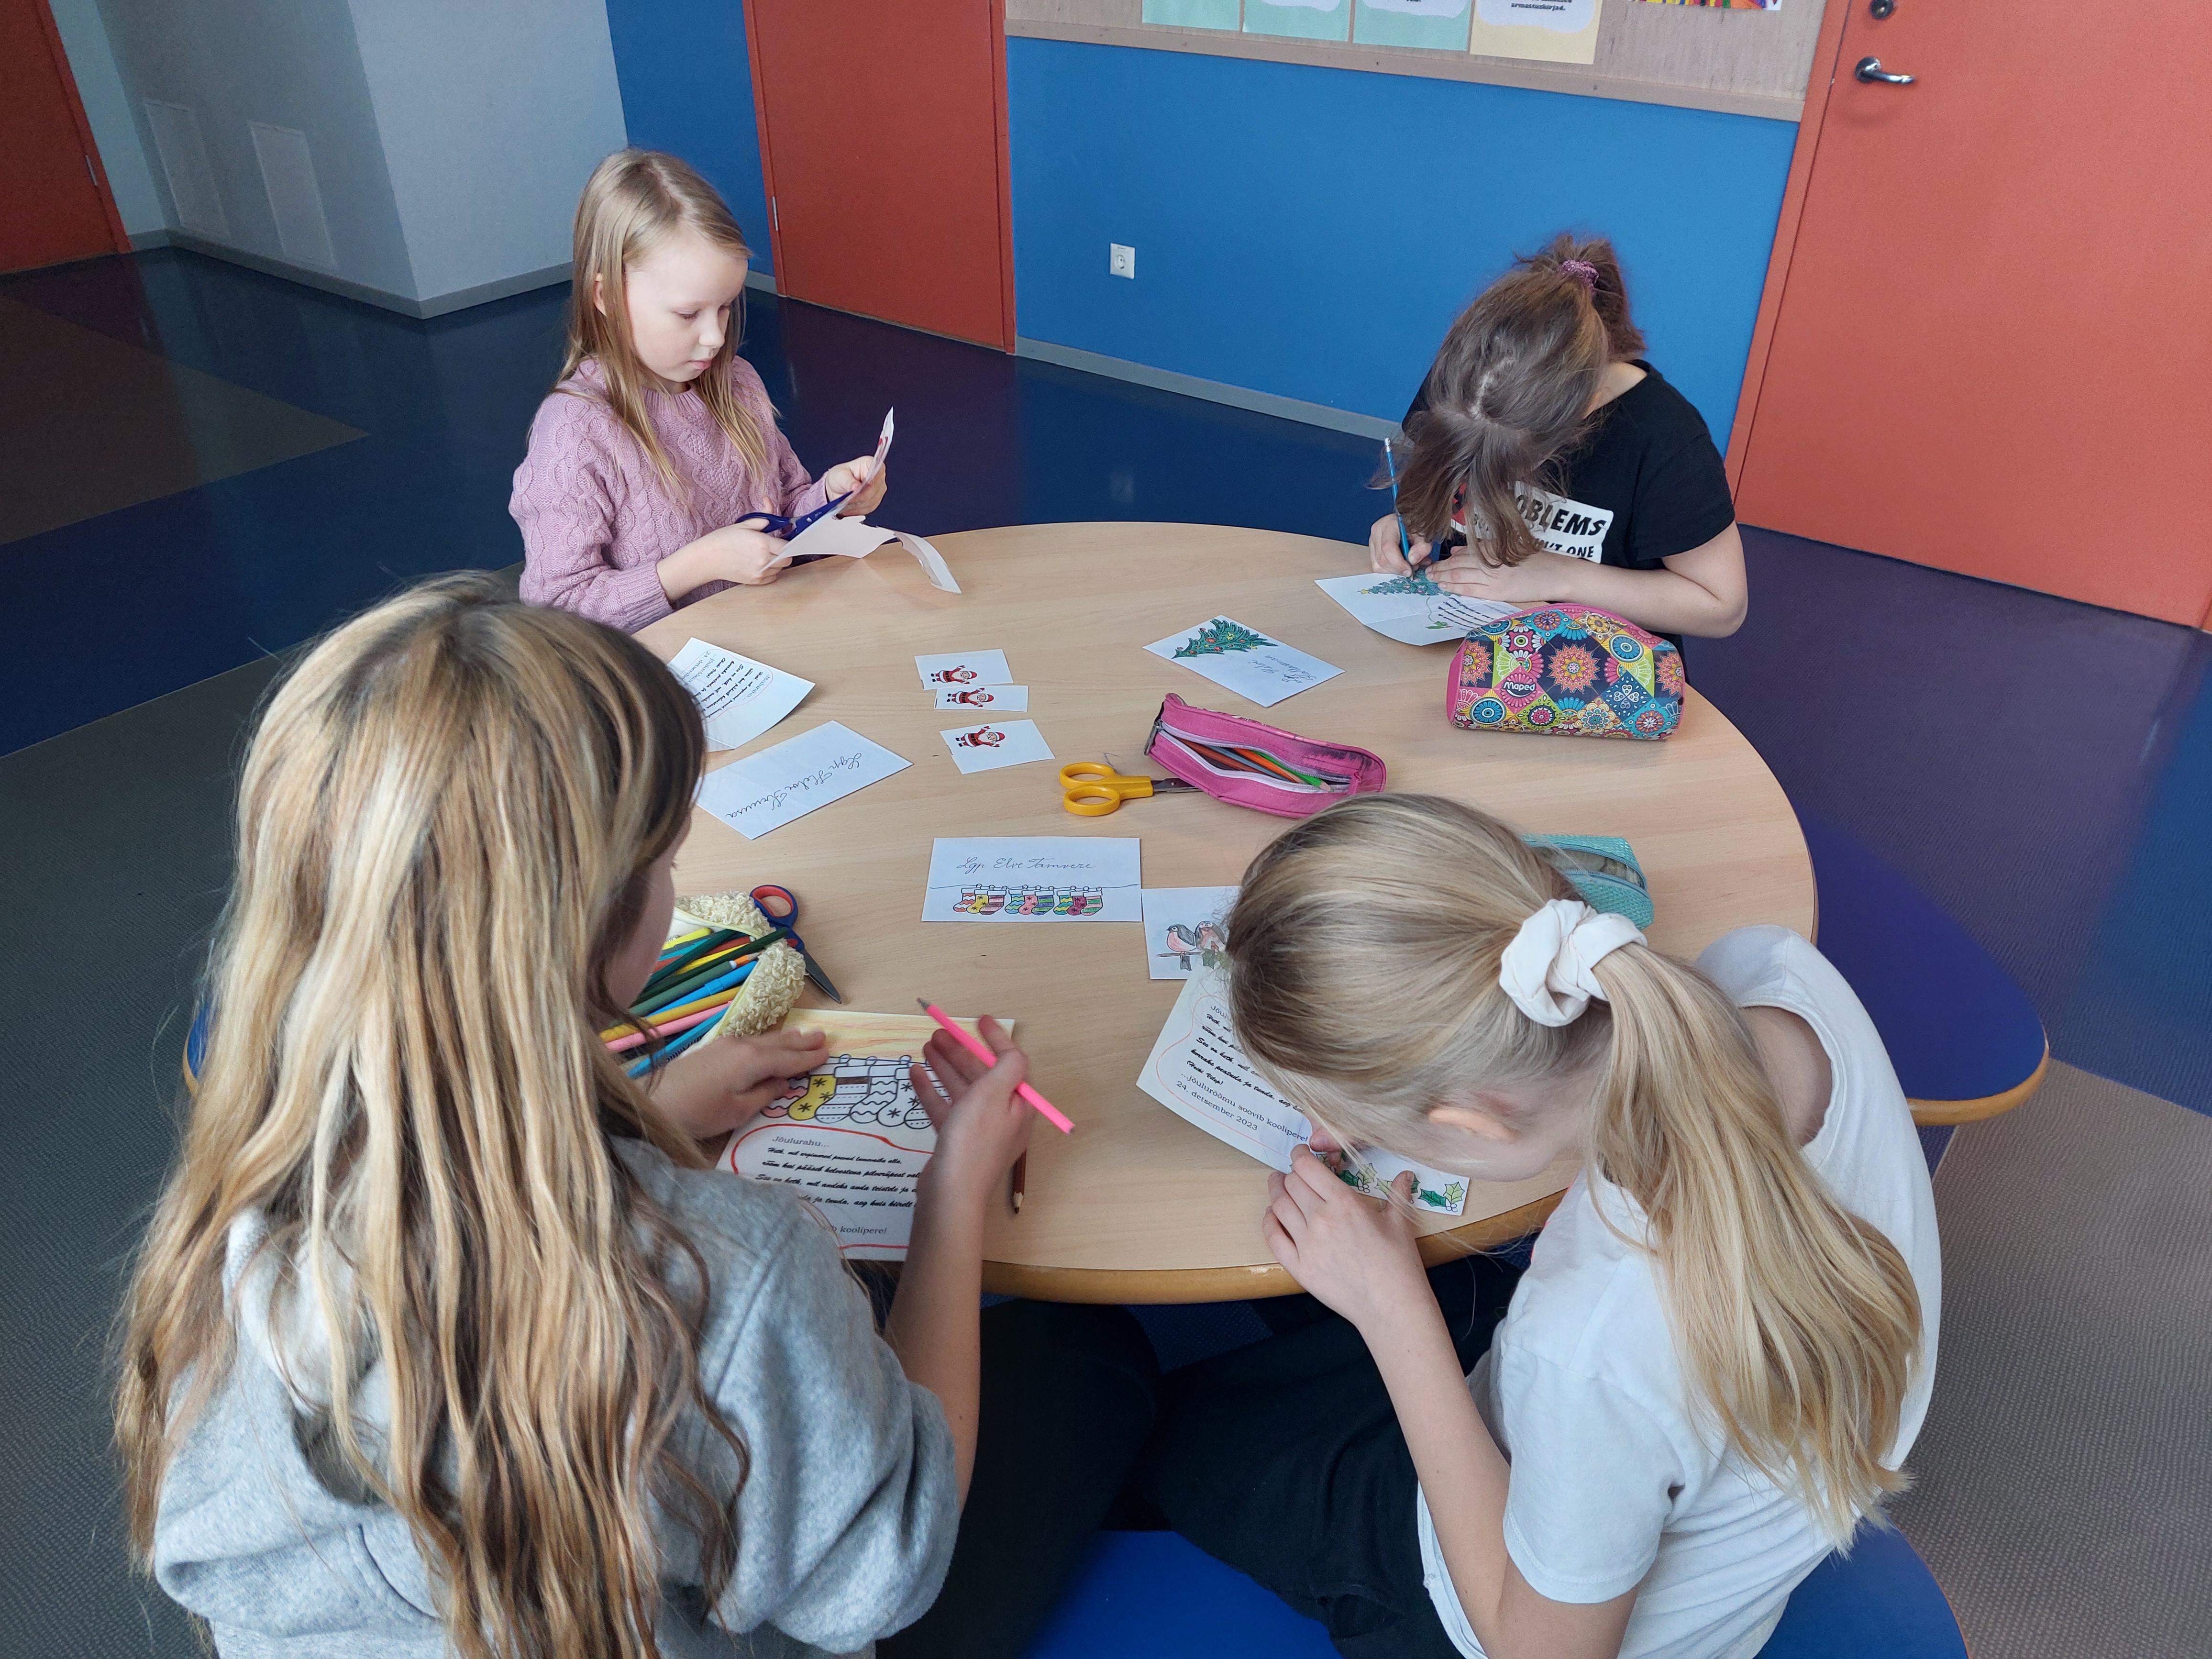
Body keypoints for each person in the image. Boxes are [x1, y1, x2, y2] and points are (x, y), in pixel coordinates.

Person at [116, 577, 1153, 1659]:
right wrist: (952, 1194)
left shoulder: (238, 1213)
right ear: (594, 926)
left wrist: (645, 1115)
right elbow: (879, 1576)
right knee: (1092, 1357)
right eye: (664, 860)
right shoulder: (736, 1267)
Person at [1129, 794, 1937, 1659]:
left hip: (1507, 1615)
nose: (1332, 1131)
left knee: (1175, 1428)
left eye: (1354, 1120)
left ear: (1475, 1123)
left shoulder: (1586, 1342)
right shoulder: (1768, 968)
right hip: (1700, 1479)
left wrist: (1395, 1312)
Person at [512, 149, 888, 630]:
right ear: (606, 297)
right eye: (688, 314)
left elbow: (785, 516)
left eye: (725, 307)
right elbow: (556, 611)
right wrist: (697, 566)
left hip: (764, 637)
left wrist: (832, 499)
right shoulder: (574, 431)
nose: (714, 337)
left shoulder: (738, 384)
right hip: (661, 666)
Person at [1369, 236, 1747, 641]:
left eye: (1508, 461)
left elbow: (1722, 608)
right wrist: (1410, 524)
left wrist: (1560, 576)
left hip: (1591, 663)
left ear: (1584, 411)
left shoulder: (1666, 440)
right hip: (1459, 634)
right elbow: (1434, 489)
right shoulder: (1468, 382)